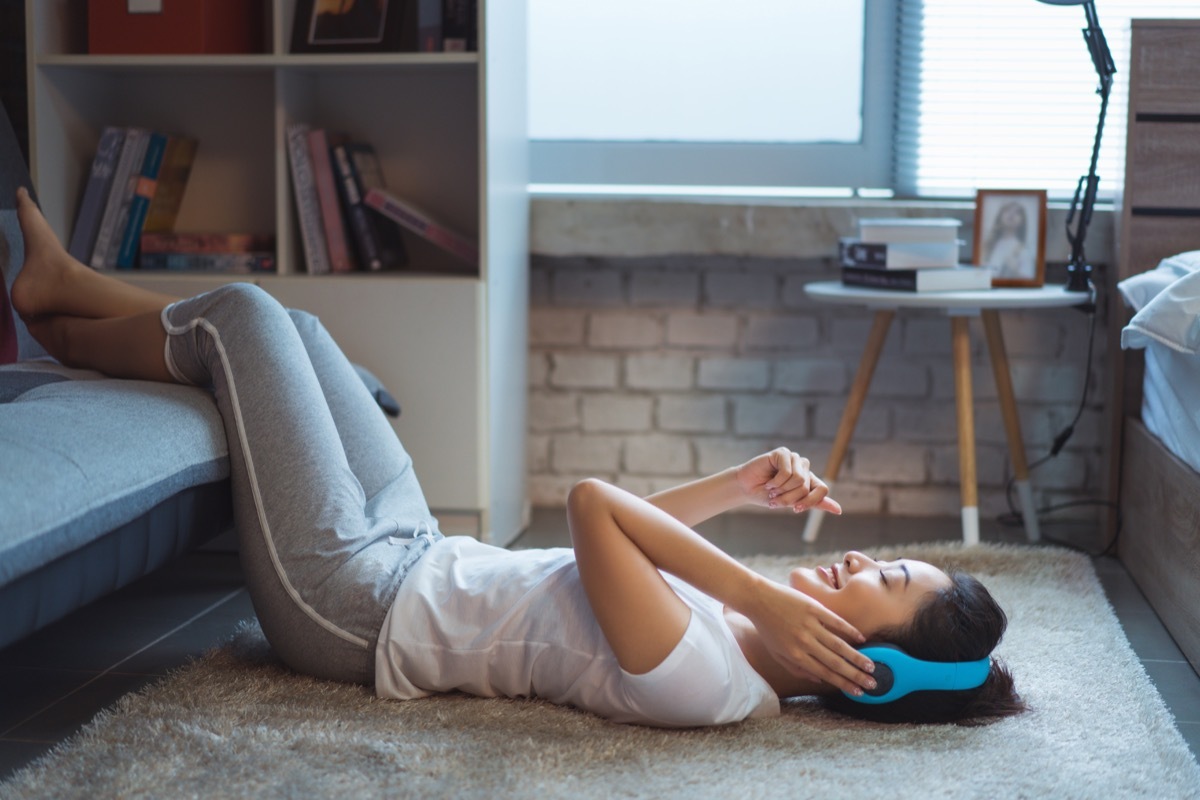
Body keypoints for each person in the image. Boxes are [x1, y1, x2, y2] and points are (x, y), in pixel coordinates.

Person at [9, 187, 1023, 727]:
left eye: (888, 578)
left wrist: (760, 598)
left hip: (350, 605)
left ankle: (56, 326)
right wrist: (743, 484)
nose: (860, 561)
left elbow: (591, 503)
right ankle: (70, 287)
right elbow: (615, 549)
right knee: (309, 334)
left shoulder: (704, 683)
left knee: (244, 315)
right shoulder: (727, 630)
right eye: (882, 558)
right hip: (413, 545)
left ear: (873, 670)